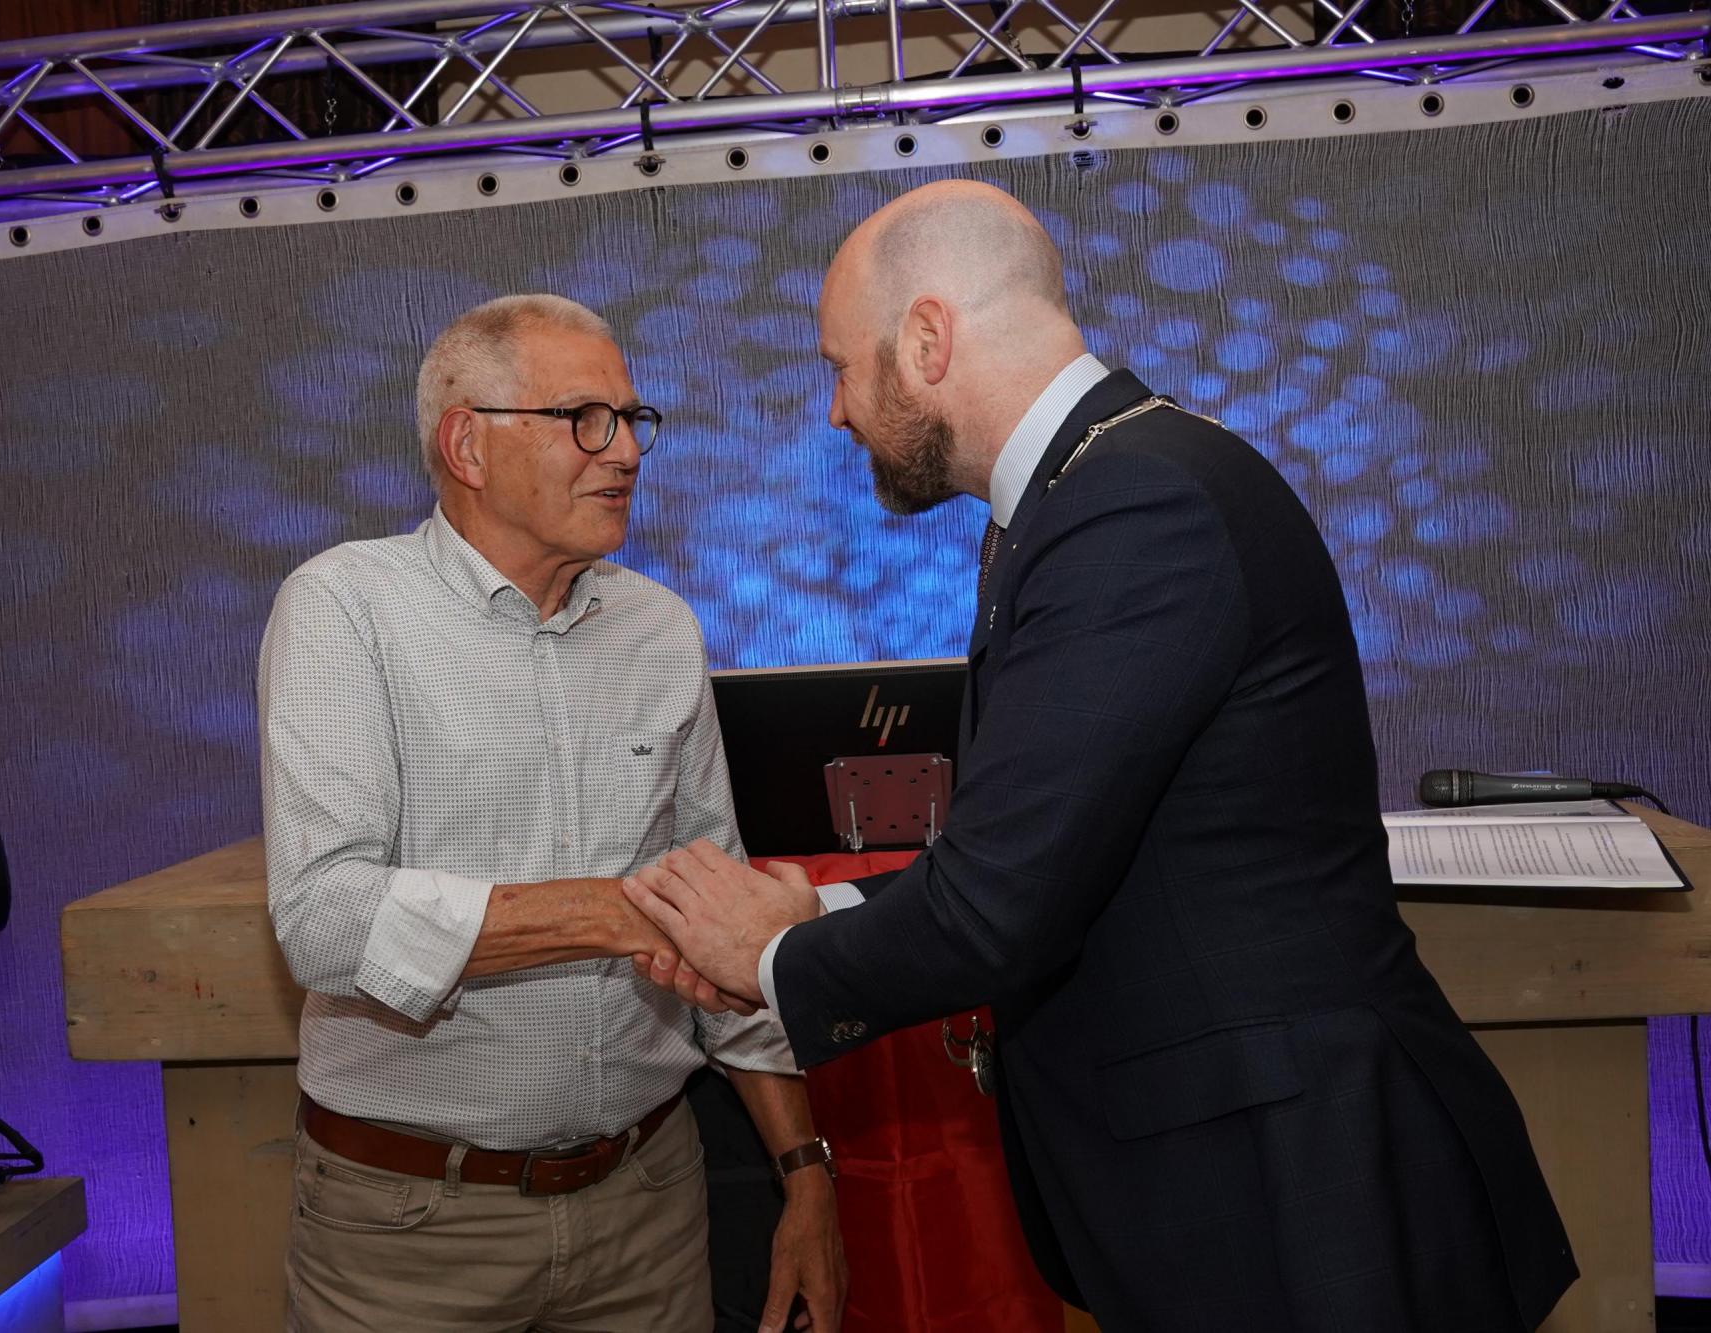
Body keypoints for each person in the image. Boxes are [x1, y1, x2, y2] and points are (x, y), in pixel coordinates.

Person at [625, 179, 1577, 1331]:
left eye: (839, 366)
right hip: (1240, 1167)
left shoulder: (1130, 506)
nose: (835, 410)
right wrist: (815, 907)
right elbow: (1050, 853)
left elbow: (996, 907)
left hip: (1295, 1181)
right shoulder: (1085, 494)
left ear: (924, 339)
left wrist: (773, 954)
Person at [259, 294, 845, 1333]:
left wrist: (804, 1169)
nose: (625, 451)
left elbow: (719, 922)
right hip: (411, 1230)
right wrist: (613, 914)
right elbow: (325, 920)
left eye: (632, 419)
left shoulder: (660, 629)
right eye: (584, 418)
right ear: (467, 445)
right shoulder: (346, 609)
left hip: (648, 1208)